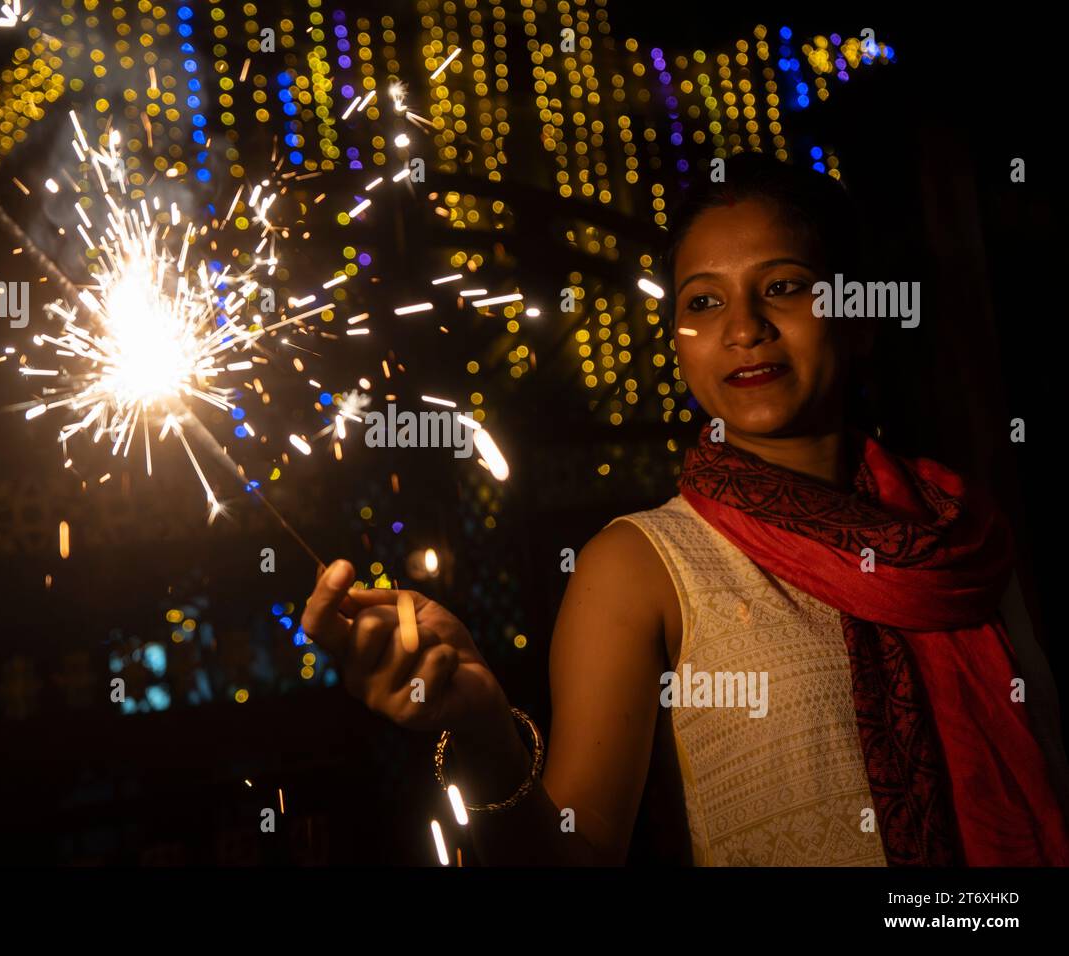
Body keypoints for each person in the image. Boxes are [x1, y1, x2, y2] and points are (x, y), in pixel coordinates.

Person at [300, 152, 1069, 866]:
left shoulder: (965, 535)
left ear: (860, 316)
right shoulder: (640, 566)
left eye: (783, 286)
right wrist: (483, 727)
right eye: (705, 300)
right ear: (679, 343)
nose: (743, 329)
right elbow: (573, 858)